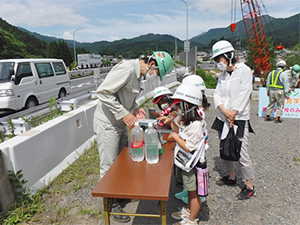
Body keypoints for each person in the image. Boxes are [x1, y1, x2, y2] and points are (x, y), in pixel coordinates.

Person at [93, 51, 173, 223]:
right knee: (108, 165)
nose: (156, 76)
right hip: (108, 124)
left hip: (120, 123)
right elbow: (103, 92)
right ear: (152, 64)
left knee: (121, 162)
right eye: (158, 72)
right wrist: (124, 114)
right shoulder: (127, 69)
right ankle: (110, 204)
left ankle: (119, 194)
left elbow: (126, 98)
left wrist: (135, 109)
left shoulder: (138, 76)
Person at [211, 40, 255, 200]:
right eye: (216, 60)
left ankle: (249, 185)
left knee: (242, 153)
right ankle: (231, 177)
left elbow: (245, 92)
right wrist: (224, 110)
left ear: (229, 55)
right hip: (223, 118)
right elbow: (217, 93)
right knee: (225, 149)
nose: (218, 63)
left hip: (240, 118)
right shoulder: (222, 75)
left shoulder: (244, 70)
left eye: (219, 59)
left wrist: (234, 113)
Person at [169, 83, 206, 225]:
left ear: (187, 105)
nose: (176, 108)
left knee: (194, 193)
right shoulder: (187, 120)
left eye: (179, 105)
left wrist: (175, 137)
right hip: (186, 163)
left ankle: (192, 220)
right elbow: (178, 130)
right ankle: (189, 211)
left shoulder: (195, 124)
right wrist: (174, 121)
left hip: (194, 165)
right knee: (189, 190)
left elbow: (189, 147)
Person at [174, 75, 210, 204]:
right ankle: (188, 191)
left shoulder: (197, 113)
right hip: (193, 146)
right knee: (188, 176)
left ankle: (198, 197)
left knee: (195, 175)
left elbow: (187, 126)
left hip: (196, 149)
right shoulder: (196, 109)